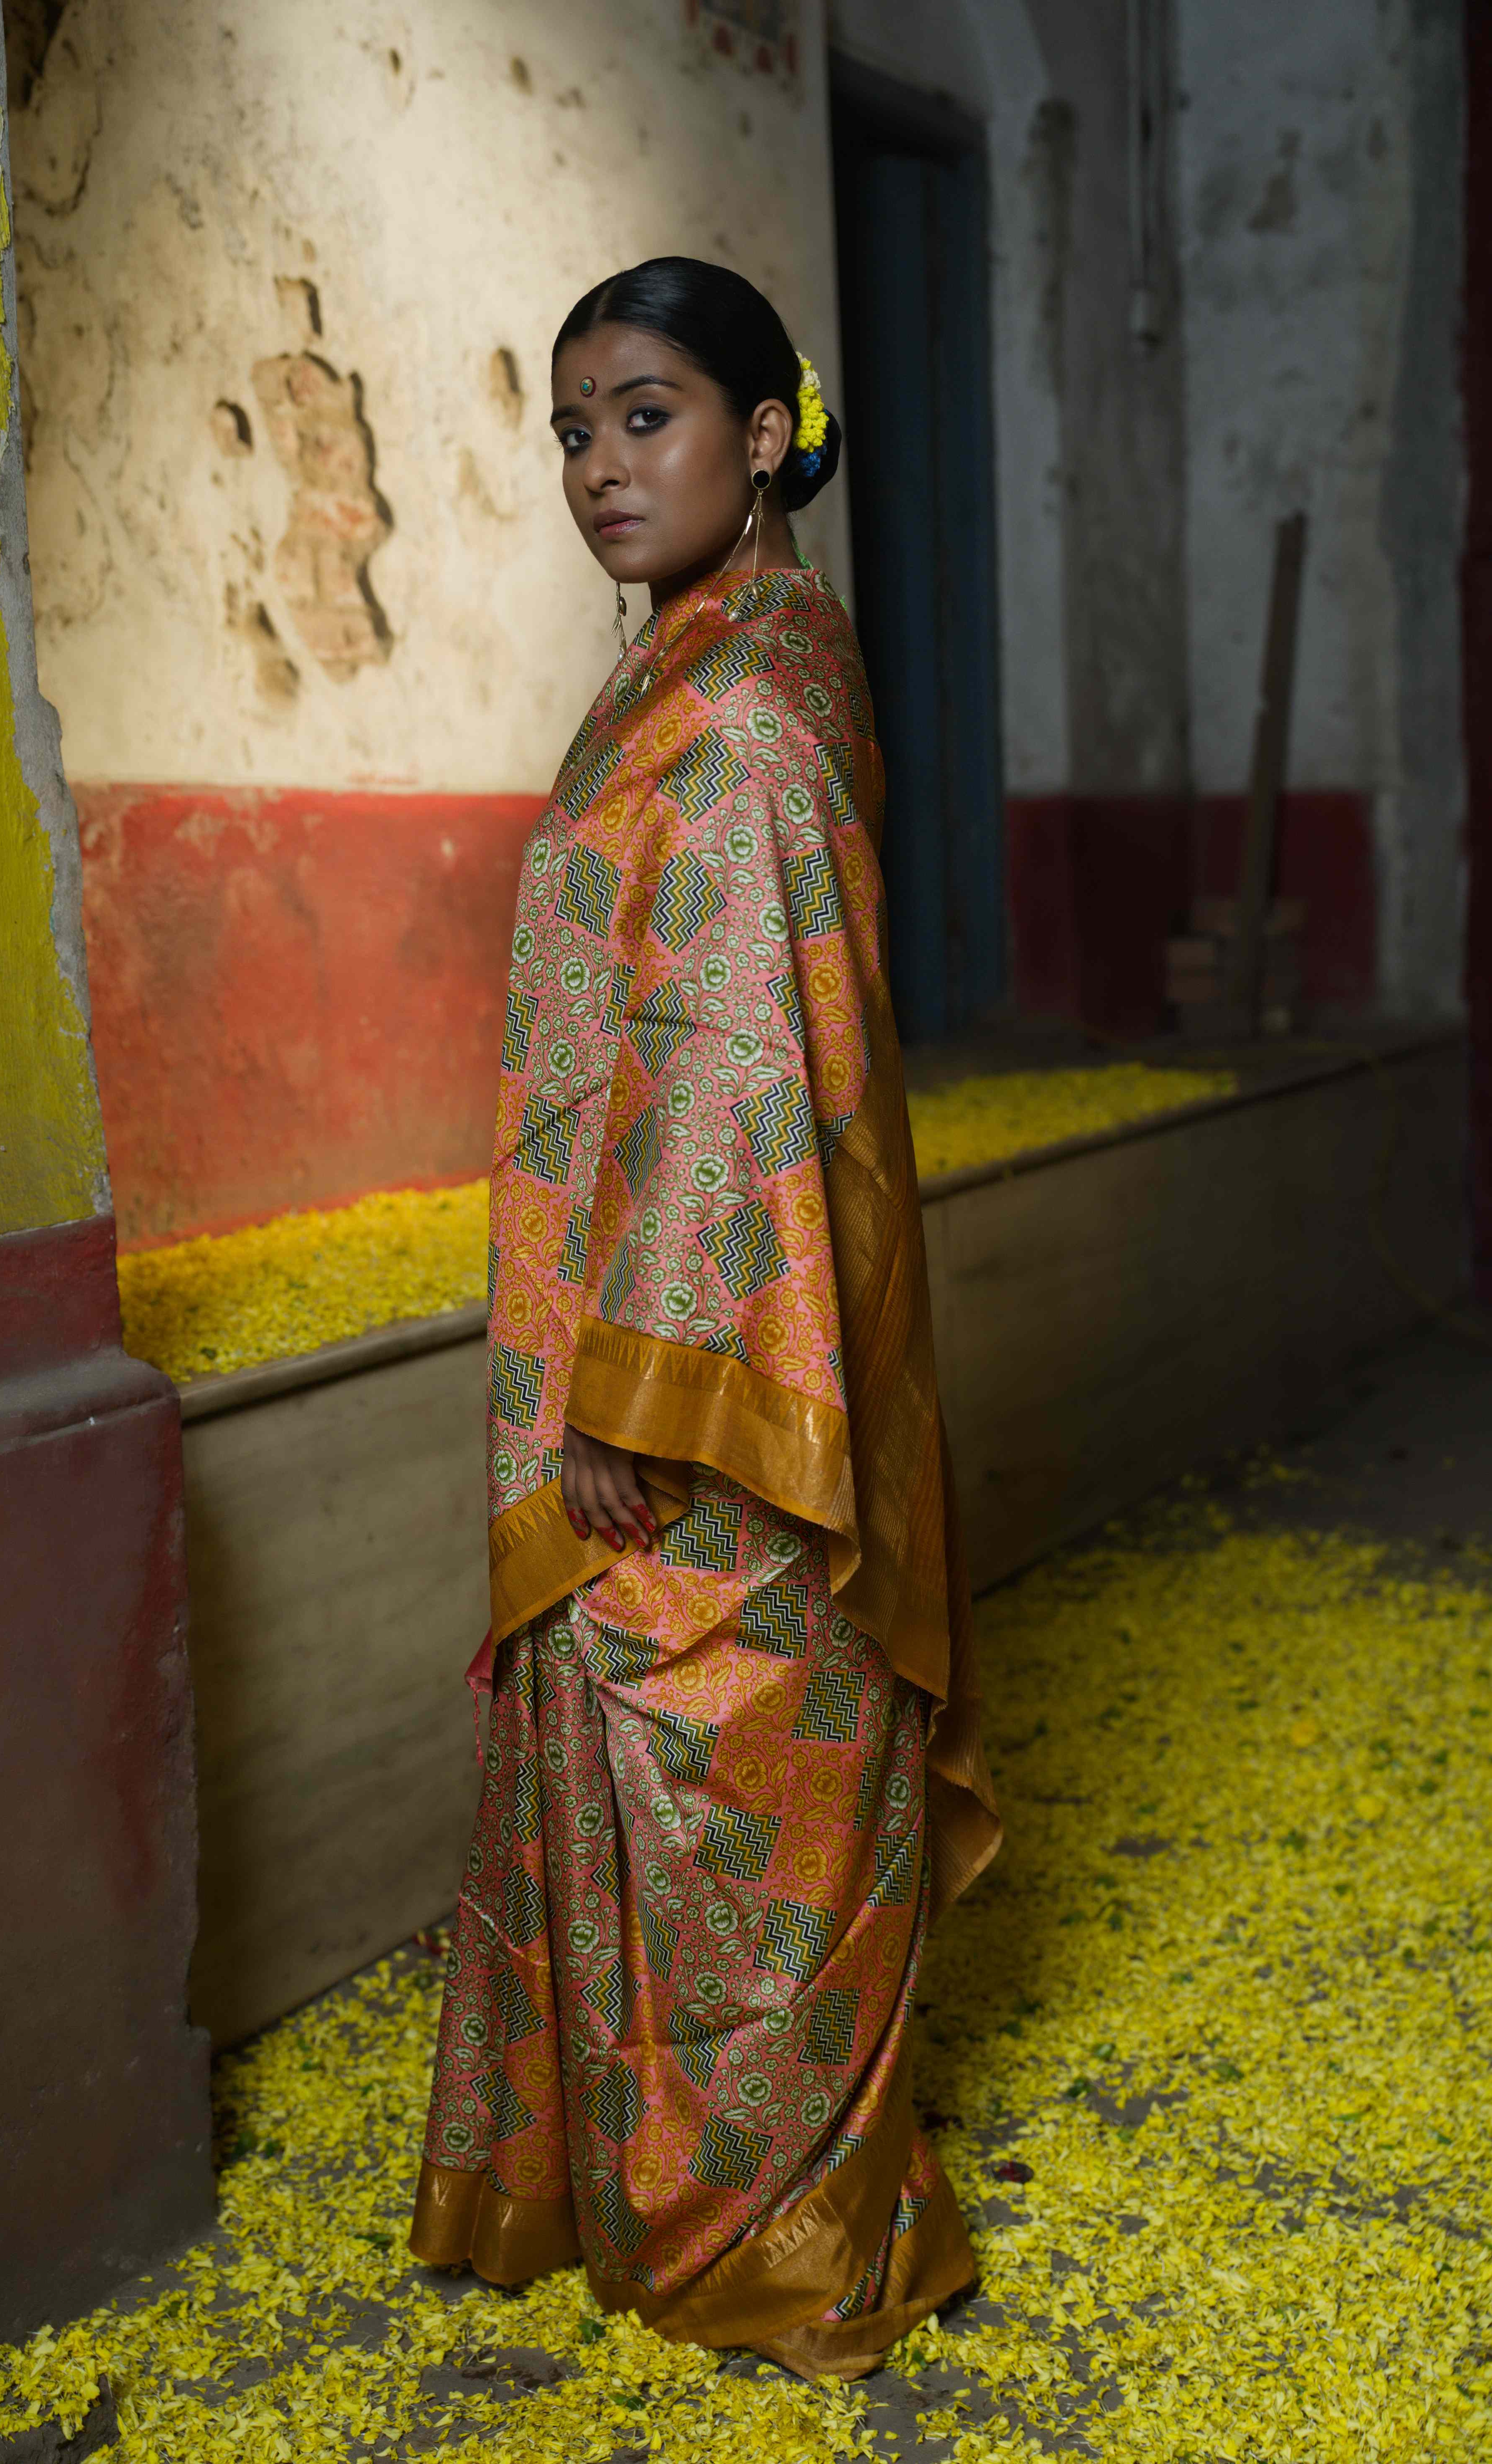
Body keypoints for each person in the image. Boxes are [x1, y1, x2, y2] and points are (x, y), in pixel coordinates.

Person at [410, 256, 999, 2380]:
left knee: (733, 1759)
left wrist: (629, 1387)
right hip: (662, 1303)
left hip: (715, 1351)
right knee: (693, 1772)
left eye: (644, 416)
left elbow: (735, 1055)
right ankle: (662, 2189)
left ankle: (765, 2230)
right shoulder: (710, 657)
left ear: (763, 440)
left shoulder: (742, 708)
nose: (597, 465)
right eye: (573, 429)